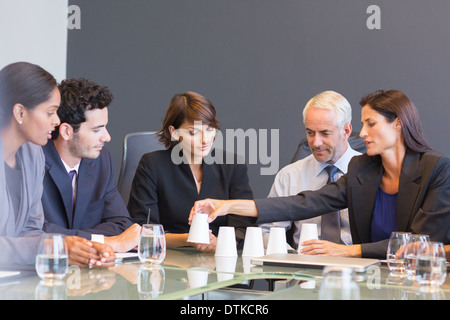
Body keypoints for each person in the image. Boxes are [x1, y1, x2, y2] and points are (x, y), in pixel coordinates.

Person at [190, 89, 450, 259]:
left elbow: (419, 244)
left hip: (418, 279)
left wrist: (346, 252)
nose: (363, 133)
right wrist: (226, 206)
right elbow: (304, 202)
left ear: (398, 124)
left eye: (371, 124)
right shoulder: (363, 169)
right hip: (367, 279)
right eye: (363, 124)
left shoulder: (437, 170)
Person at [0, 62, 114, 268]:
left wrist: (80, 249)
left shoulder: (33, 156)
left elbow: (31, 231)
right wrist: (55, 247)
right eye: (50, 112)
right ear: (20, 113)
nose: (57, 121)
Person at [128, 91, 253, 252]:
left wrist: (223, 243)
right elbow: (144, 230)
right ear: (174, 132)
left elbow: (244, 224)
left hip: (221, 256)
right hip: (169, 259)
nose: (205, 140)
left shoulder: (232, 165)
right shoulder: (152, 165)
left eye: (210, 129)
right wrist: (191, 238)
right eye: (194, 132)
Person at [41, 78, 140, 253]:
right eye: (97, 130)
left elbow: (122, 223)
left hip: (91, 271)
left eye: (105, 127)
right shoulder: (33, 163)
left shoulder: (102, 159)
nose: (107, 137)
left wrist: (71, 237)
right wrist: (104, 241)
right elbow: (35, 232)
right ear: (66, 131)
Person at [260, 91, 361, 250]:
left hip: (357, 268)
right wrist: (291, 259)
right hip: (302, 269)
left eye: (325, 133)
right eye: (310, 132)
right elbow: (267, 231)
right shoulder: (290, 176)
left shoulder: (370, 172)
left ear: (346, 131)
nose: (316, 142)